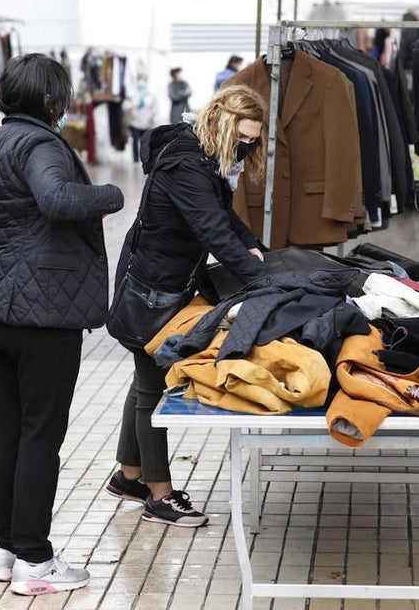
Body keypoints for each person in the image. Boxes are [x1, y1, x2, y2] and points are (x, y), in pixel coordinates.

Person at [0, 53, 124, 595]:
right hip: (44, 310)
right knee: (41, 432)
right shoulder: (42, 144)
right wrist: (111, 195)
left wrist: (4, 213)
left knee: (8, 430)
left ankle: (6, 550)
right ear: (50, 100)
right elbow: (58, 199)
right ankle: (35, 561)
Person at [107, 83, 269, 527]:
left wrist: (254, 248)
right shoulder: (186, 164)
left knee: (145, 381)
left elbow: (227, 220)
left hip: (167, 283)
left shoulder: (204, 158)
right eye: (243, 137)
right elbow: (212, 229)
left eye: (253, 140)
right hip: (153, 291)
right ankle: (158, 497)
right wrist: (263, 277)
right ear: (222, 120)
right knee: (151, 385)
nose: (247, 146)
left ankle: (128, 476)